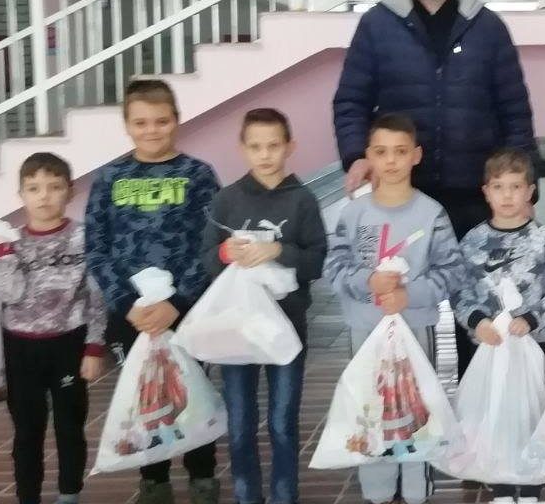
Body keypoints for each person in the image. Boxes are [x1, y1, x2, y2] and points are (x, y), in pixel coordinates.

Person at [333, 0, 539, 380]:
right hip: (405, 199)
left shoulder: (488, 28)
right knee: (403, 305)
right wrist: (356, 155)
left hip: (475, 196)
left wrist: (528, 183)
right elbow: (350, 101)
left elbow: (515, 108)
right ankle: (408, 410)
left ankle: (475, 411)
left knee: (480, 310)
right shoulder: (377, 26)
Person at [84, 79, 222, 504]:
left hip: (187, 310)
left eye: (161, 121)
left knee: (191, 390)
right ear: (127, 125)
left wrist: (178, 302)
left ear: (176, 121)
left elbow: (211, 244)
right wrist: (127, 304)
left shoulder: (198, 175)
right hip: (133, 315)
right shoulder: (110, 178)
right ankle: (153, 480)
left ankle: (202, 477)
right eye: (141, 122)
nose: (152, 130)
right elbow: (96, 247)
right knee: (145, 395)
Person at [323, 113, 464, 504]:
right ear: (368, 156)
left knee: (418, 408)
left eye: (400, 152)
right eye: (381, 152)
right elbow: (334, 267)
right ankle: (378, 491)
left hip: (415, 330)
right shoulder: (353, 213)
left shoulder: (431, 213)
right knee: (371, 408)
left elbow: (452, 271)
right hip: (365, 332)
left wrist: (410, 294)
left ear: (416, 156)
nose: (391, 161)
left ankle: (417, 489)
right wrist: (367, 281)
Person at [199, 108, 327, 504]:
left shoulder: (302, 200)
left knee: (282, 422)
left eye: (273, 145)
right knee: (240, 422)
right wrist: (226, 252)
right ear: (242, 149)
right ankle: (246, 496)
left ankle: (285, 495)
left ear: (290, 147)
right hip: (237, 328)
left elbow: (317, 261)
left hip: (286, 326)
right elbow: (206, 260)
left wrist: (278, 250)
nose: (265, 154)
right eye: (256, 146)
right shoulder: (226, 200)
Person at [0, 152, 105, 504]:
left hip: (69, 344)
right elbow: (9, 294)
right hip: (21, 348)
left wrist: (94, 346)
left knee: (70, 425)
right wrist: (4, 253)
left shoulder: (84, 238)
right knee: (27, 430)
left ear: (70, 191)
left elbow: (97, 295)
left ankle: (69, 494)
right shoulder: (10, 242)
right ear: (21, 194)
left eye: (54, 187)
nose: (44, 196)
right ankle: (28, 497)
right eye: (34, 188)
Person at [452, 147, 545, 504]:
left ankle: (529, 485)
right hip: (489, 344)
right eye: (499, 187)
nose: (507, 195)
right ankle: (499, 482)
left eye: (516, 187)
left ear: (530, 191)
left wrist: (531, 319)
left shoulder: (544, 240)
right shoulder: (472, 242)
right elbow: (459, 292)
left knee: (530, 411)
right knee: (493, 412)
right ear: (486, 192)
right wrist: (477, 322)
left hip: (532, 344)